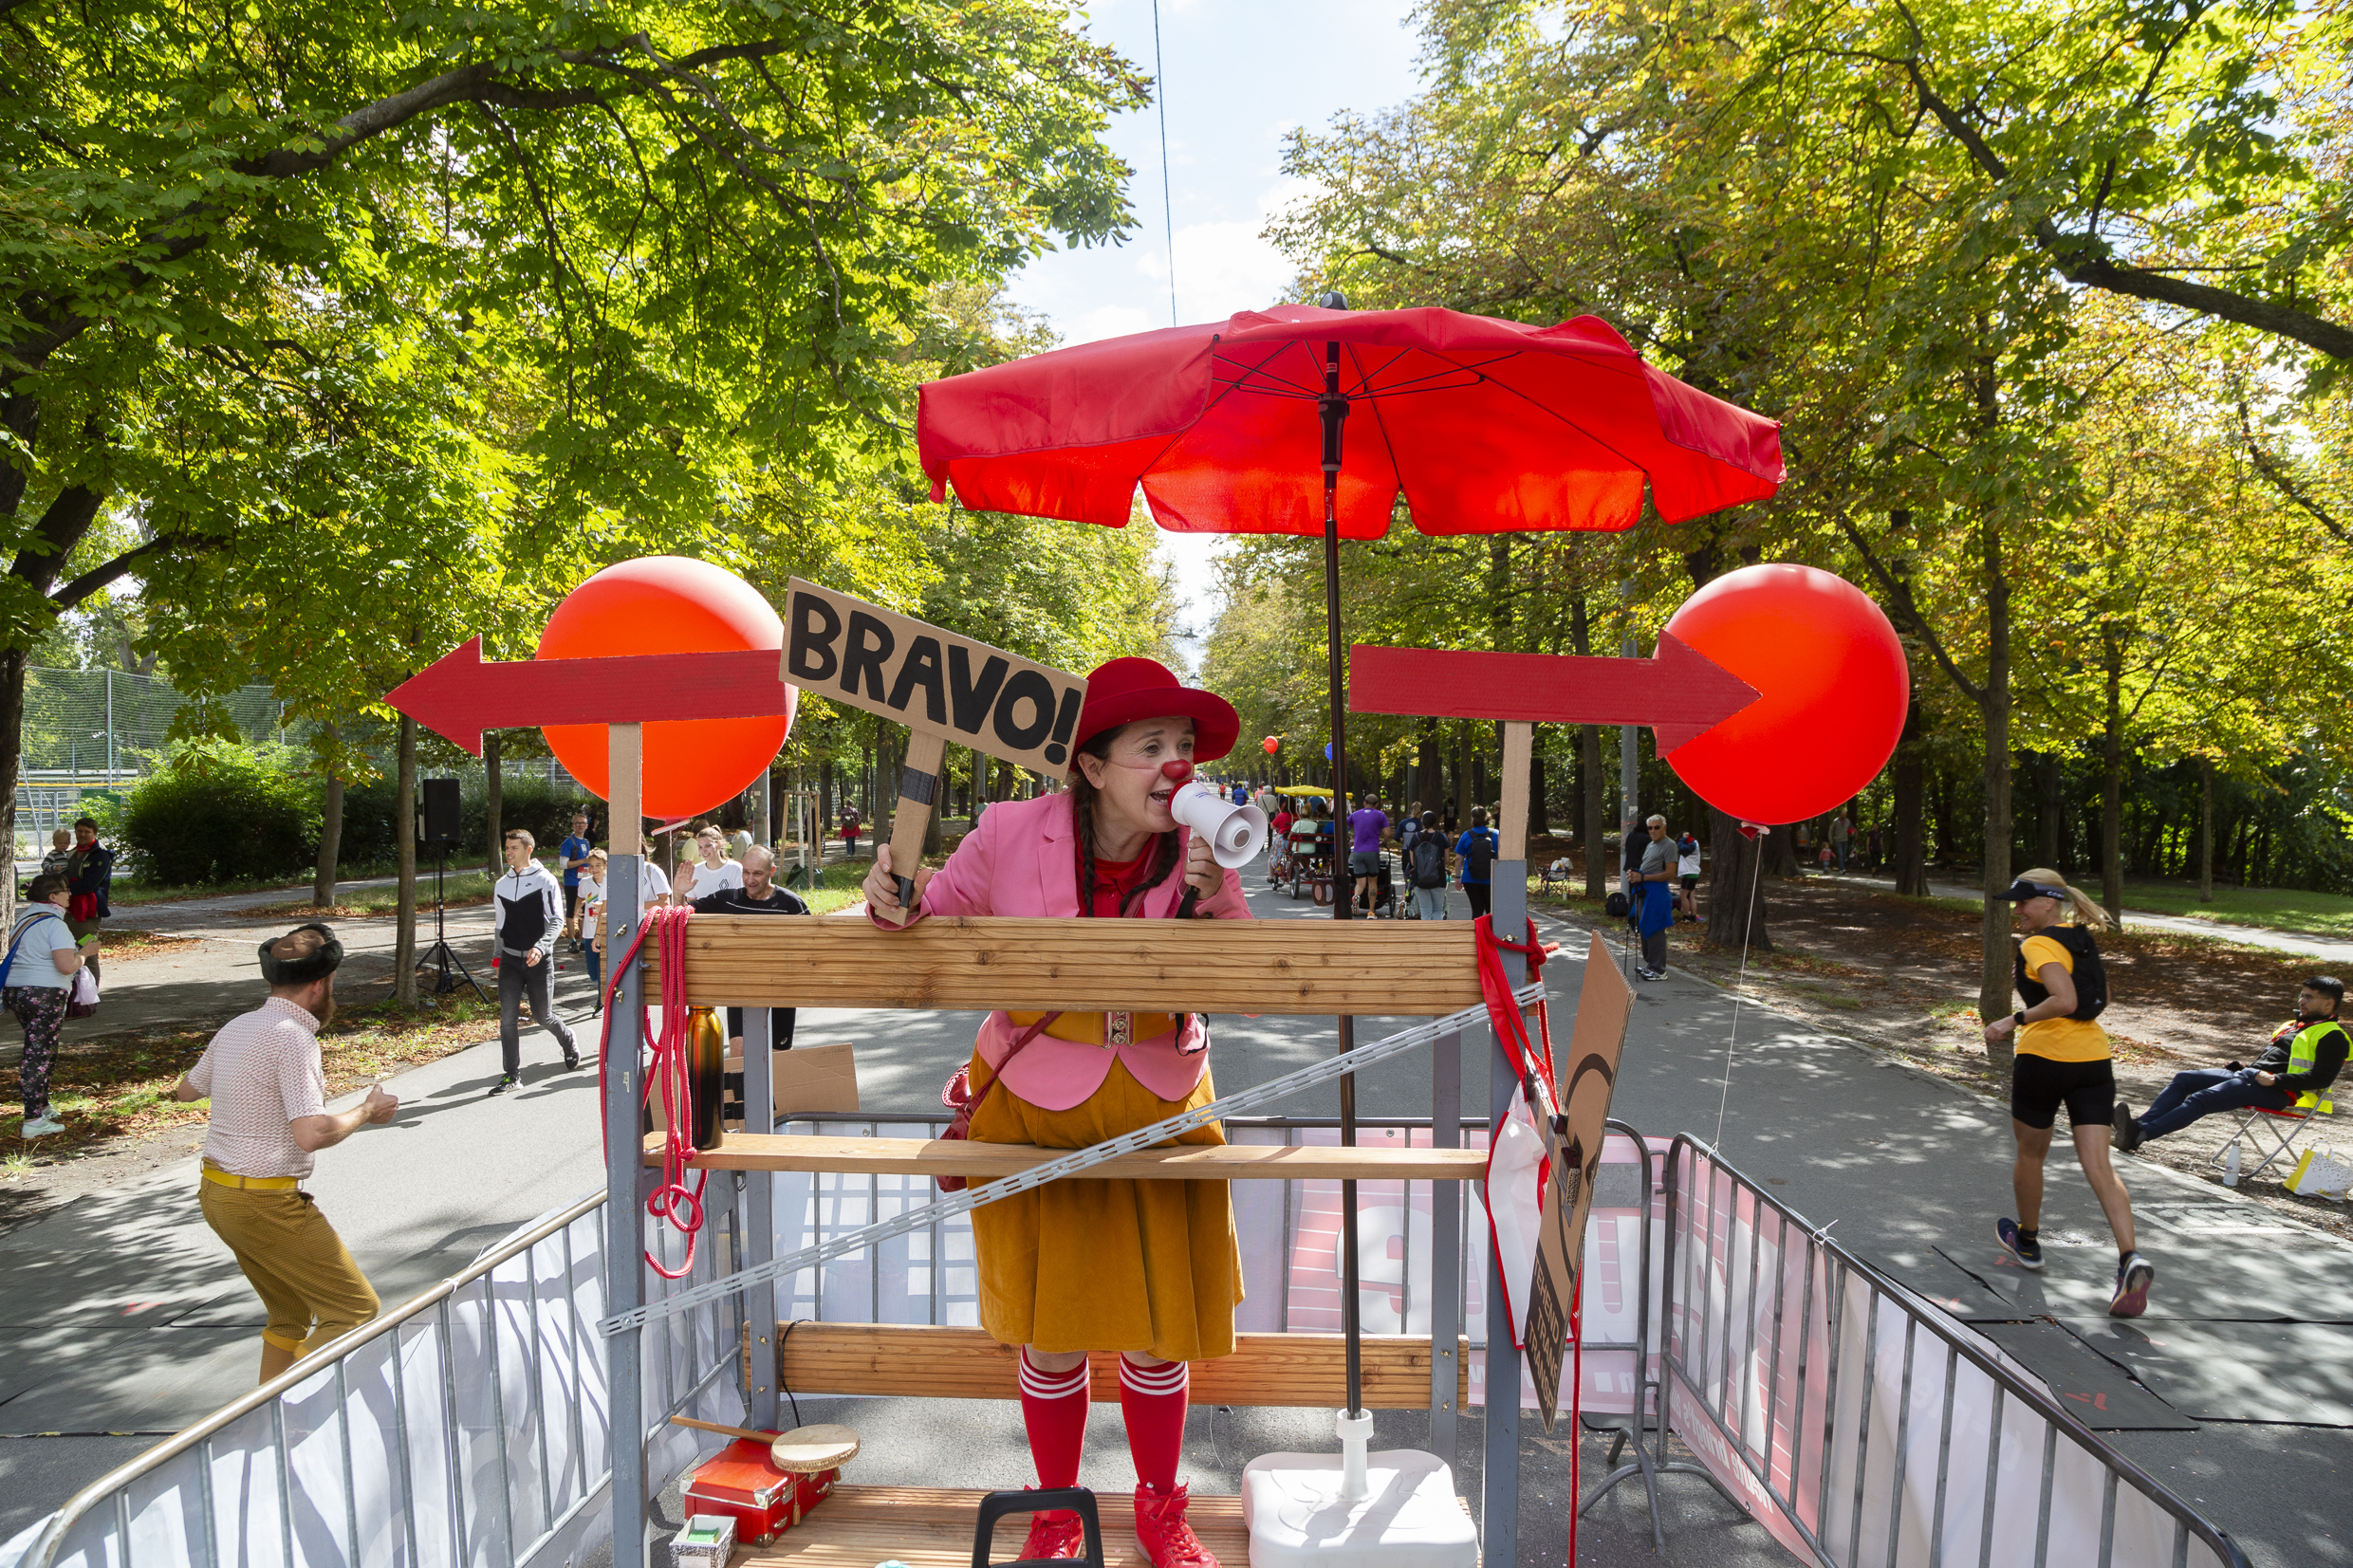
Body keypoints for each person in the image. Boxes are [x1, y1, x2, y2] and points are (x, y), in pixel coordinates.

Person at [862, 655, 1251, 1568]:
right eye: (1150, 746)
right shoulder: (1006, 831)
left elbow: (1254, 982)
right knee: (1051, 1324)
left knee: (1161, 1334)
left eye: (1184, 747)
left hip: (1162, 1099)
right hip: (1036, 1103)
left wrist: (1211, 887)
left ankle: (1161, 1506)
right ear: (1090, 764)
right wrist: (888, 893)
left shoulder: (1203, 851)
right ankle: (1055, 1511)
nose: (1176, 767)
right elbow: (917, 917)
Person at [172, 923, 397, 1383]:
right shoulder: (294, 1038)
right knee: (355, 1309)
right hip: (263, 1202)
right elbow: (311, 1134)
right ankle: (283, 1406)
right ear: (320, 985)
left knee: (290, 1312)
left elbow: (185, 1091)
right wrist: (366, 1111)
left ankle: (268, 1423)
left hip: (217, 1195)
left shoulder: (238, 1026)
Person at [1980, 870, 2152, 1318]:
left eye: (2023, 903)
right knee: (2099, 1164)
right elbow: (2101, 996)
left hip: (2044, 1061)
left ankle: (2029, 1240)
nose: (2016, 910)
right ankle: (2129, 1257)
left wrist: (2010, 1021)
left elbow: (2066, 1000)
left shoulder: (2037, 944)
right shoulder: (2081, 939)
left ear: (2050, 902)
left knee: (2031, 1153)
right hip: (2093, 1062)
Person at [2115, 977, 2348, 1151]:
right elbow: (2278, 1060)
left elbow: (2322, 1078)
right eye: (2301, 995)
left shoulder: (2332, 1036)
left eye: (2309, 997)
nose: (2302, 1001)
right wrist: (2244, 1067)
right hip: (2250, 1077)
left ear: (2329, 1004)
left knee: (2202, 1099)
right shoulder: (2296, 1025)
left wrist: (2276, 1079)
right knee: (2185, 1078)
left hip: (2277, 1092)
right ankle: (2137, 1125)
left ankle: (2141, 1134)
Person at [691, 845, 807, 1055]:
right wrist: (680, 892)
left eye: (757, 873)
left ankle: (778, 1089)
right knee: (739, 1049)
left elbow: (813, 941)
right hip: (740, 986)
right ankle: (740, 1089)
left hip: (781, 987)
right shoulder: (728, 898)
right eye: (746, 872)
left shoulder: (790, 903)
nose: (750, 879)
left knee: (780, 1054)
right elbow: (684, 914)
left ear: (771, 872)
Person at [7, 873, 99, 1138]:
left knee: (43, 1048)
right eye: (65, 891)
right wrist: (85, 953)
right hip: (43, 993)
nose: (69, 894)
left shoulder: (23, 920)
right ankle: (33, 1121)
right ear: (52, 897)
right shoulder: (55, 925)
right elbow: (66, 965)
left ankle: (43, 1106)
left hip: (17, 991)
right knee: (38, 1053)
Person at [489, 830, 579, 1096]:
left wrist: (541, 946)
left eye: (514, 847)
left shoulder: (545, 880)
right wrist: (497, 956)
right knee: (507, 1019)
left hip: (539, 960)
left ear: (528, 849)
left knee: (543, 1016)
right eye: (506, 847)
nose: (508, 852)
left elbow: (557, 920)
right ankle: (512, 1075)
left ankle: (567, 1039)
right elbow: (499, 924)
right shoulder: (501, 884)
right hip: (509, 960)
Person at [1626, 815, 1676, 980]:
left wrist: (1643, 878)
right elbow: (1647, 868)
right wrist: (1634, 874)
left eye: (1657, 827)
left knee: (1655, 927)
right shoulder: (1651, 844)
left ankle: (1659, 970)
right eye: (1650, 828)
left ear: (1664, 828)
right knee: (1644, 925)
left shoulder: (1669, 845)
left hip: (1657, 891)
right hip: (1644, 890)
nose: (1653, 831)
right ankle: (1651, 964)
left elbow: (1670, 873)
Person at [64, 816, 112, 982]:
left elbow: (89, 884)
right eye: (79, 831)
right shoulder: (69, 854)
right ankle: (73, 1000)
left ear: (94, 834)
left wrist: (63, 890)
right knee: (66, 953)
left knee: (88, 953)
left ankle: (89, 1003)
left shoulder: (101, 856)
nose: (83, 834)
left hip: (88, 915)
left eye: (87, 831)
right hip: (66, 911)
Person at [1346, 793, 1389, 913]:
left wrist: (1348, 838)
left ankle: (1356, 897)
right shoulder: (1380, 815)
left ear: (1364, 803)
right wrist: (1383, 842)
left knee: (1360, 882)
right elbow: (1387, 833)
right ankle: (1371, 911)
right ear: (1376, 804)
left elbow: (1345, 825)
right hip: (1372, 851)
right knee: (1372, 882)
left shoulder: (1355, 814)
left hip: (1358, 852)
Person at [1455, 806, 1499, 922]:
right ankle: (1491, 938)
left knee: (1476, 911)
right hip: (1491, 878)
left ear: (1473, 819)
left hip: (1470, 878)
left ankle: (1477, 938)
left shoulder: (1466, 835)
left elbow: (1458, 858)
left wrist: (1458, 877)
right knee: (1491, 912)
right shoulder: (1496, 834)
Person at [558, 812, 594, 951]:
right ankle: (572, 941)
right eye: (577, 823)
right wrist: (582, 861)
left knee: (584, 912)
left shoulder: (586, 842)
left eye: (582, 823)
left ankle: (584, 940)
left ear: (586, 826)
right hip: (572, 882)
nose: (580, 825)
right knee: (572, 912)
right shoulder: (569, 842)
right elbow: (563, 864)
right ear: (573, 825)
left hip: (585, 882)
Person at [578, 849, 608, 1011]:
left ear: (605, 865)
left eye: (598, 865)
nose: (594, 869)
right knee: (593, 974)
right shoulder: (585, 883)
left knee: (601, 968)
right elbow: (580, 898)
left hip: (604, 932)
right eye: (591, 866)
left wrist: (602, 907)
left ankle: (600, 1002)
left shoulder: (610, 883)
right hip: (589, 931)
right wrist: (578, 909)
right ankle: (602, 993)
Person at [682, 825, 745, 901]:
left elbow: (740, 900)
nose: (703, 850)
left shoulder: (735, 868)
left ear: (719, 844)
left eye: (708, 846)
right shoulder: (695, 870)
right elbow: (691, 902)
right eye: (700, 847)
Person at [1408, 809, 1449, 921]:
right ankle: (1436, 936)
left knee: (1425, 910)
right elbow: (1447, 860)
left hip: (1419, 879)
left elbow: (1412, 862)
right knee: (1437, 910)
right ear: (1435, 822)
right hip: (1438, 879)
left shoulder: (1415, 837)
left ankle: (1427, 937)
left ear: (1422, 822)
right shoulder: (1441, 837)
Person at [1677, 829, 1702, 923]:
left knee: (1683, 895)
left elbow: (1681, 849)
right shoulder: (1694, 843)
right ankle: (1693, 916)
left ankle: (1686, 916)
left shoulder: (1691, 844)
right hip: (1693, 872)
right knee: (1691, 895)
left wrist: (1683, 838)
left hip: (1689, 873)